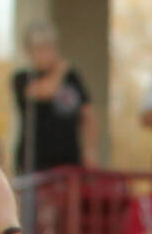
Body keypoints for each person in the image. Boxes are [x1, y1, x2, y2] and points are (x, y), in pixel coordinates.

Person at [11, 22, 96, 174]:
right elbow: (46, 92)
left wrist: (90, 151)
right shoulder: (23, 78)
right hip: (35, 163)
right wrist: (60, 71)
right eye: (40, 48)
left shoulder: (72, 78)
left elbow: (88, 114)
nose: (46, 53)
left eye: (49, 47)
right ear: (29, 52)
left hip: (69, 163)